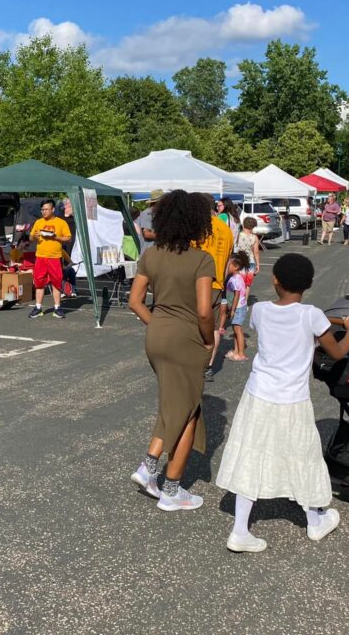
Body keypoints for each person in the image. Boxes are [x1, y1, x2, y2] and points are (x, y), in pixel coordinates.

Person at [215, 253, 349, 552]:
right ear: (309, 284)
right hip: (292, 398)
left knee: (252, 453)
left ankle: (240, 529)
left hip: (258, 393)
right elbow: (336, 353)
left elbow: (282, 325)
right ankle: (315, 521)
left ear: (275, 280)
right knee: (304, 455)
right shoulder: (311, 315)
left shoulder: (259, 310)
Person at [128, 190, 215, 511]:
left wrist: (158, 324)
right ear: (196, 222)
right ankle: (170, 487)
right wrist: (207, 340)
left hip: (156, 334)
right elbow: (205, 311)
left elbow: (134, 301)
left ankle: (150, 468)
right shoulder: (201, 259)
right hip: (185, 338)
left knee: (175, 404)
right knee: (189, 410)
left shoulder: (151, 255)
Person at [197, 200, 234, 381]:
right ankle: (208, 366)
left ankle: (195, 365)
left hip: (197, 284)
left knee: (194, 325)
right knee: (213, 328)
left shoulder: (198, 228)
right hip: (218, 284)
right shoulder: (226, 230)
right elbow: (228, 262)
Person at [28, 199, 72, 319]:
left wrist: (56, 237)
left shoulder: (61, 222)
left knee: (56, 282)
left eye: (46, 209)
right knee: (39, 282)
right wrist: (34, 236)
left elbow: (68, 238)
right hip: (41, 257)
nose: (44, 212)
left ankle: (57, 308)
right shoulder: (38, 222)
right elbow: (31, 238)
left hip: (55, 257)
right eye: (42, 210)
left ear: (53, 209)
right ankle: (38, 307)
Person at [224, 251, 250, 362]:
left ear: (235, 266)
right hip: (238, 307)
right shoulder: (235, 277)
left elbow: (237, 295)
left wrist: (233, 310)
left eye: (228, 264)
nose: (227, 266)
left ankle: (241, 353)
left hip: (238, 308)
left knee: (238, 330)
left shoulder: (235, 279)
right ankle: (236, 351)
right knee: (235, 330)